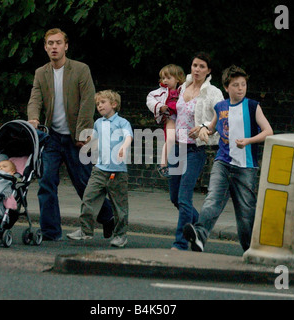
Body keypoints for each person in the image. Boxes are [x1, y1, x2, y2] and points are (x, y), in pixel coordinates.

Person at [27, 28, 114, 241]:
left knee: (84, 184)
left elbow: (87, 101)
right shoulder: (41, 73)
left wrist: (82, 133)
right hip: (53, 137)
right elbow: (35, 99)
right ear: (45, 47)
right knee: (46, 181)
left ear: (66, 46)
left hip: (77, 137)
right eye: (50, 43)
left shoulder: (80, 69)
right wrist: (33, 119)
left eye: (58, 43)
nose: (54, 47)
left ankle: (108, 216)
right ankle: (50, 231)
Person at [183, 65, 274, 252]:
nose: (240, 88)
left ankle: (251, 250)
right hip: (223, 162)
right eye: (235, 85)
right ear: (226, 88)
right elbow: (212, 127)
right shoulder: (221, 106)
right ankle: (200, 235)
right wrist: (201, 130)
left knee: (246, 213)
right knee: (212, 199)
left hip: (246, 166)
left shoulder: (252, 106)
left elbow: (268, 131)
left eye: (243, 84)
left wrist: (249, 141)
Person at [168, 52, 224, 251]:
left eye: (202, 66)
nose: (197, 69)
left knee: (184, 197)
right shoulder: (183, 87)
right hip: (177, 147)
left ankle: (180, 244)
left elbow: (222, 116)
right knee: (174, 197)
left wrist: (202, 126)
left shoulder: (213, 92)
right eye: (194, 65)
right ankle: (199, 228)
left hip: (195, 150)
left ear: (208, 70)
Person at [67, 90, 133, 248]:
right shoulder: (98, 123)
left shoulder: (122, 122)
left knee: (119, 206)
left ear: (114, 104)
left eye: (103, 102)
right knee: (88, 199)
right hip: (99, 169)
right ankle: (85, 231)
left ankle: (120, 236)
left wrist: (124, 147)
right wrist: (86, 143)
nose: (99, 106)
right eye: (97, 104)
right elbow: (94, 140)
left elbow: (128, 136)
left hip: (117, 172)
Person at [146, 64, 186, 178]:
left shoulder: (183, 91)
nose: (165, 80)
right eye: (163, 78)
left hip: (183, 120)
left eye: (169, 78)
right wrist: (160, 106)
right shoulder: (160, 92)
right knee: (171, 138)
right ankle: (162, 164)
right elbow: (149, 99)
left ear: (178, 79)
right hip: (170, 118)